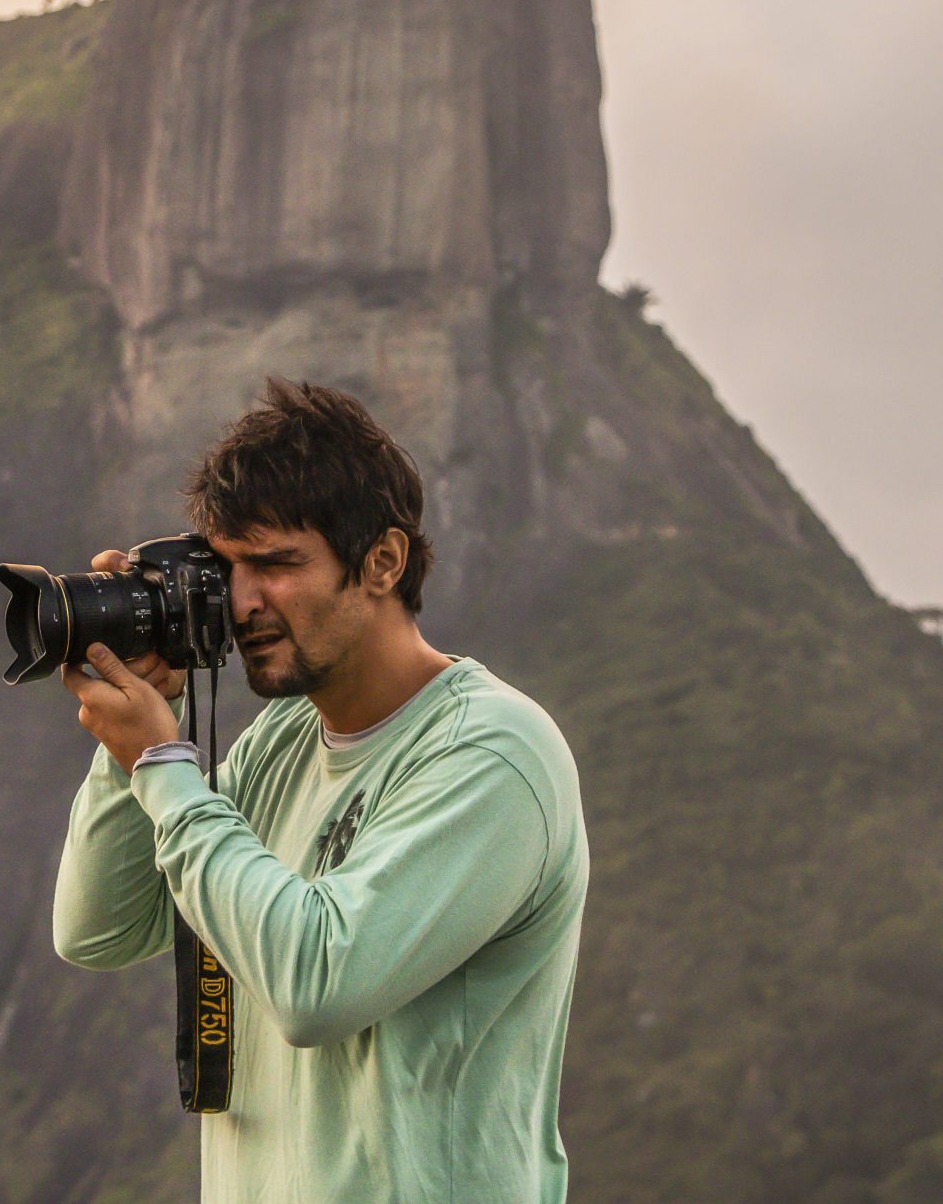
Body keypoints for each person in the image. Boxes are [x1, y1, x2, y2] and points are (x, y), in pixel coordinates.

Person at [53, 376, 589, 1203]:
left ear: (382, 561)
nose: (241, 601)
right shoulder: (279, 744)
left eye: (275, 565)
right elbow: (96, 930)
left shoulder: (494, 753)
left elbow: (317, 984)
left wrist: (164, 766)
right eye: (226, 568)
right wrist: (133, 734)